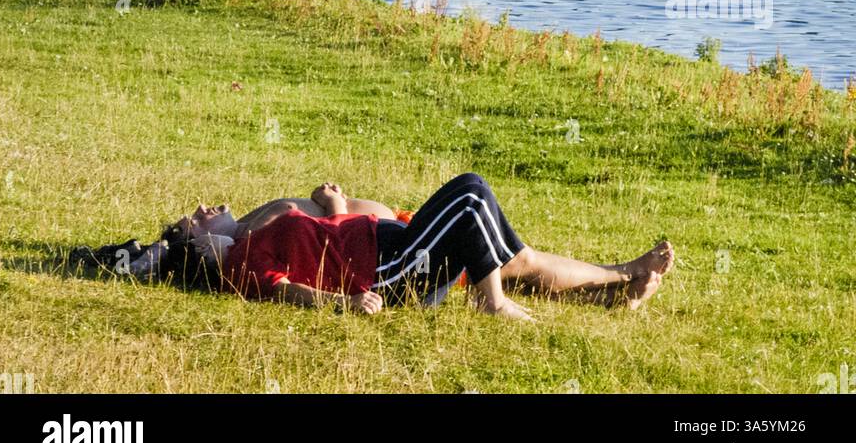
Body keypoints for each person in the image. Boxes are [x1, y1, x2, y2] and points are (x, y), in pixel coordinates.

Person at [163, 173, 675, 320]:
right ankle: (491, 303)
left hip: (393, 244)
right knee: (471, 195)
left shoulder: (251, 234)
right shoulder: (240, 260)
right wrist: (344, 304)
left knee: (515, 256)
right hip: (390, 268)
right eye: (196, 221)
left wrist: (333, 211)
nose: (207, 208)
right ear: (202, 247)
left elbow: (324, 243)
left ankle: (618, 282)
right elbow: (284, 291)